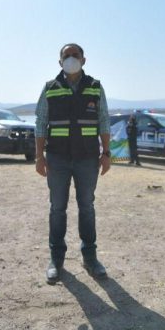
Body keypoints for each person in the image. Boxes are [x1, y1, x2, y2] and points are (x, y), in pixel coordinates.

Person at [35, 43, 111, 284]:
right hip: (57, 158)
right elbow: (41, 122)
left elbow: (104, 120)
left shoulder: (95, 87)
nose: (71, 58)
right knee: (57, 208)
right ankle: (56, 259)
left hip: (87, 158)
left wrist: (106, 153)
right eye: (66, 55)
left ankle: (90, 257)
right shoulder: (50, 88)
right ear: (60, 62)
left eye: (75, 55)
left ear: (83, 59)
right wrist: (39, 157)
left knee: (86, 207)